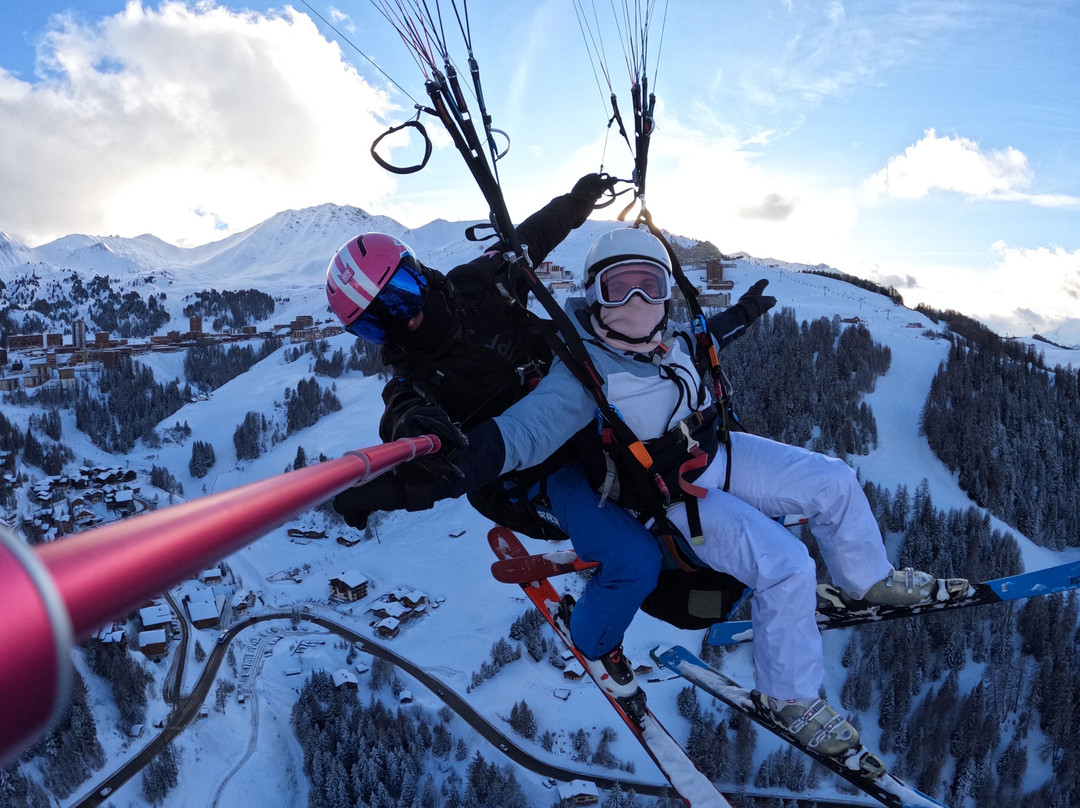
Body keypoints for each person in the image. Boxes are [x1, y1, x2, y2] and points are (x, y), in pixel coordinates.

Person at [353, 225, 968, 761]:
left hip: (715, 452)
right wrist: (409, 483)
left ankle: (867, 577)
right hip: (672, 496)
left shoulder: (669, 341)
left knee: (832, 479)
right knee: (786, 564)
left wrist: (741, 316)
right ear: (594, 295)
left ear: (668, 292)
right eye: (619, 289)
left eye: (649, 285)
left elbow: (704, 341)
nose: (637, 302)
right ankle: (791, 697)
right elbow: (514, 437)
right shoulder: (582, 374)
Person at [326, 175, 760, 710]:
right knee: (634, 555)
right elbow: (408, 426)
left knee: (702, 472)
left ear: (420, 274)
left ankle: (742, 577)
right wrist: (395, 477)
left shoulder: (476, 285)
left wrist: (578, 201)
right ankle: (598, 641)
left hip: (590, 422)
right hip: (535, 478)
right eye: (378, 323)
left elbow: (531, 236)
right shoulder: (415, 384)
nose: (406, 321)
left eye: (402, 297)